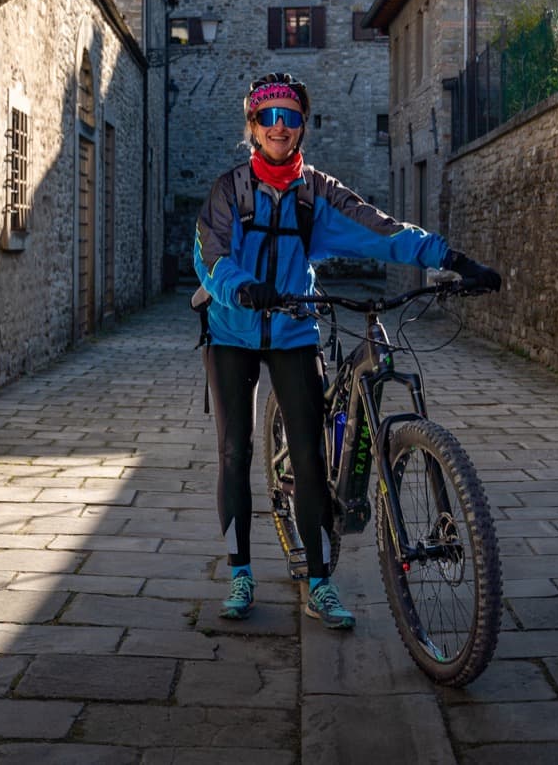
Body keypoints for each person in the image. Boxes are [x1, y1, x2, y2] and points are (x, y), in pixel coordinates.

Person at [192, 72, 502, 630]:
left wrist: (451, 258)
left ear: (302, 125)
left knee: (311, 458)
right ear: (253, 126)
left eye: (289, 116)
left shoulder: (318, 194)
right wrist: (239, 286)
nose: (279, 127)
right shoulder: (229, 190)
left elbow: (382, 229)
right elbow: (209, 254)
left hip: (293, 330)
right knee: (234, 453)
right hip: (234, 330)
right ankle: (241, 573)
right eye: (268, 117)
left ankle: (319, 582)